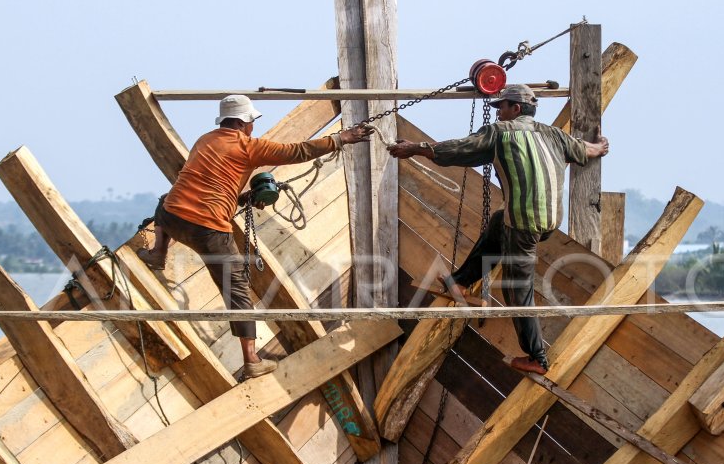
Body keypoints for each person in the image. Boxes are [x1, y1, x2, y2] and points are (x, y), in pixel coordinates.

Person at [140, 94, 374, 379]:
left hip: (173, 218)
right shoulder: (248, 146)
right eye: (251, 122)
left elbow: (208, 185)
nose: (253, 127)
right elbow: (297, 152)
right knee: (236, 288)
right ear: (242, 122)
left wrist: (243, 199)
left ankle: (158, 253)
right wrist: (342, 139)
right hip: (209, 229)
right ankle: (252, 360)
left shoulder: (205, 140)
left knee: (167, 199)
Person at [388, 83, 609, 376]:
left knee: (516, 289)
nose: (497, 114)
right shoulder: (552, 134)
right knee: (497, 221)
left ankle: (537, 357)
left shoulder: (500, 134)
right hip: (548, 222)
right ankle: (461, 280)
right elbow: (586, 149)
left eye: (501, 107)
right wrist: (601, 147)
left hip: (523, 225)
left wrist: (415, 148)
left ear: (515, 109)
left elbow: (458, 149)